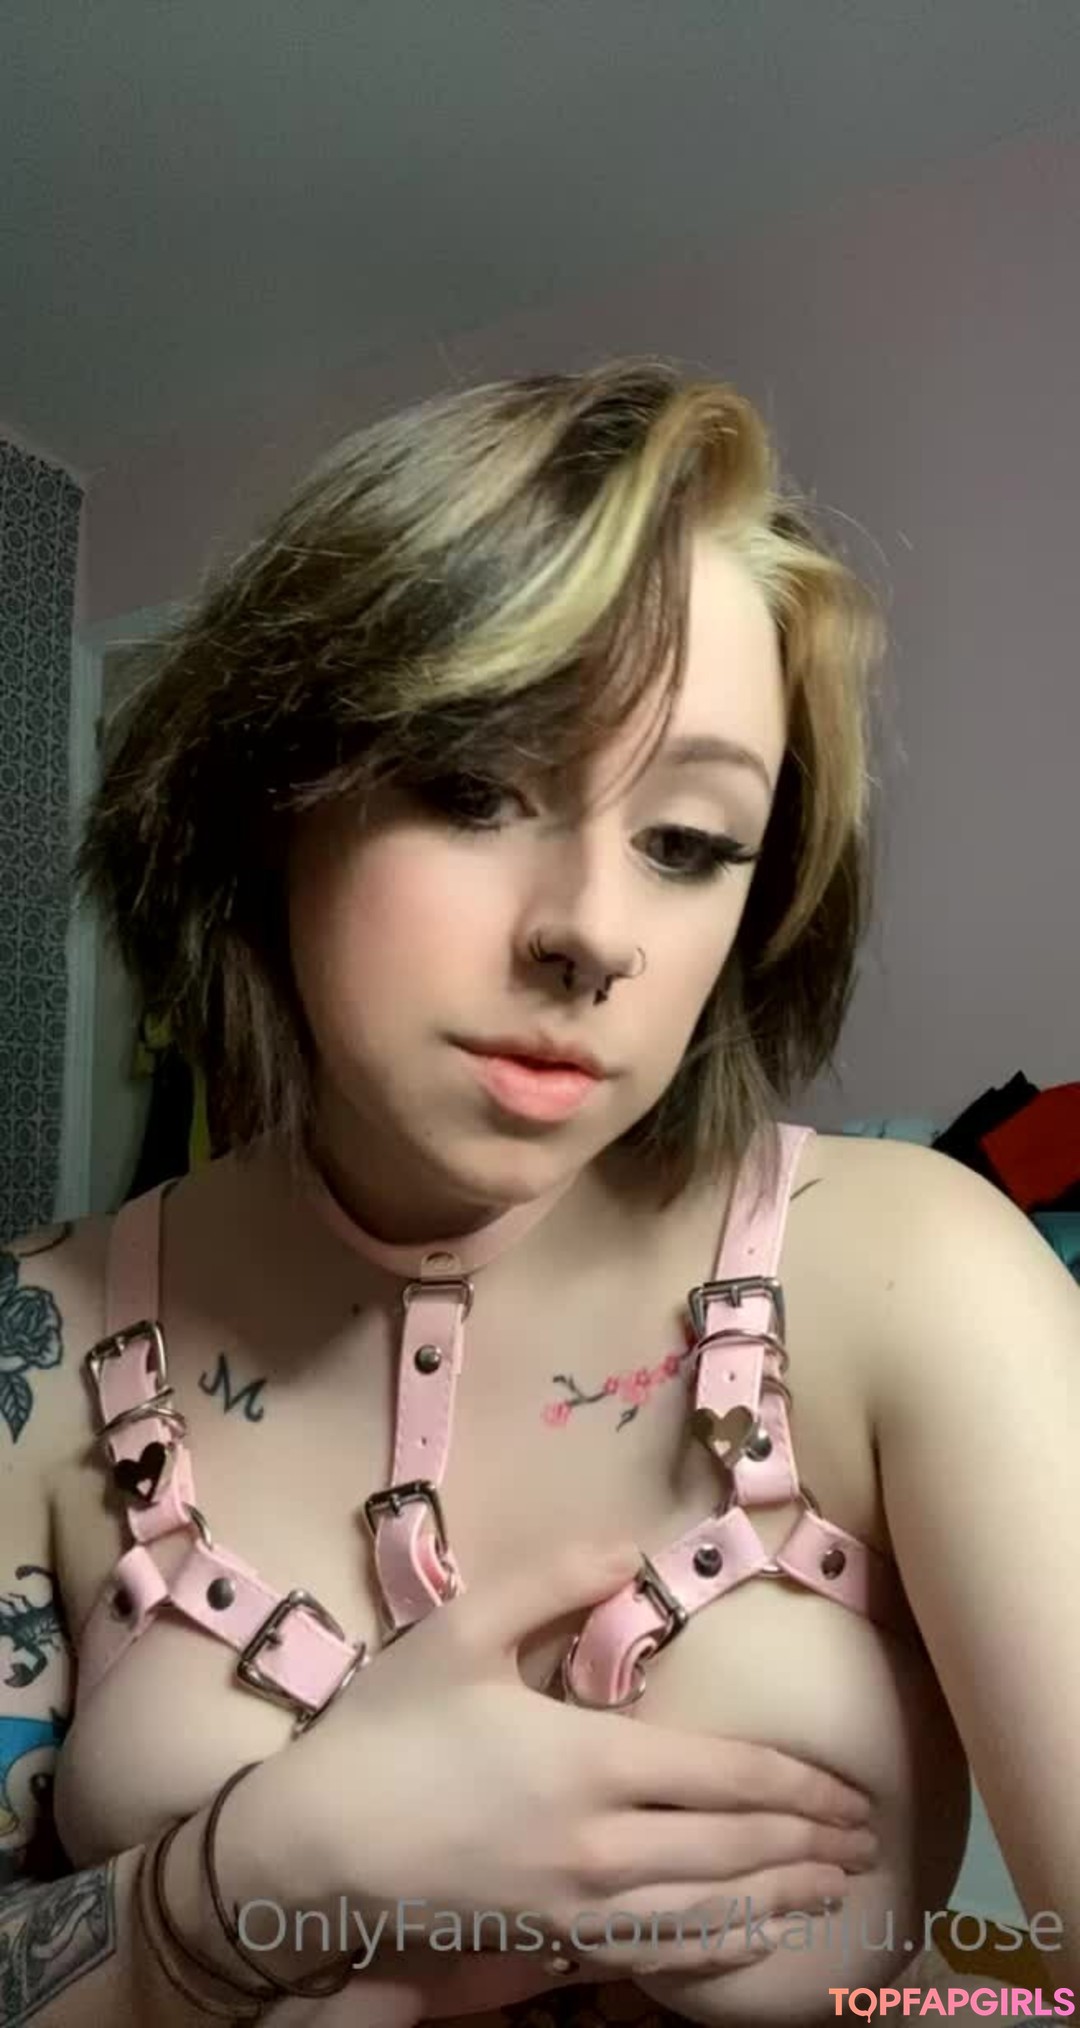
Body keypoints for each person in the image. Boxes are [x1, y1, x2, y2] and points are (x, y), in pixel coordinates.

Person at [1, 358, 1077, 2028]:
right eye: (472, 786)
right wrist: (246, 1884)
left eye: (688, 842)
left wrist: (903, 2016)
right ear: (266, 804)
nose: (591, 930)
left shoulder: (914, 1274)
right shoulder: (40, 1344)